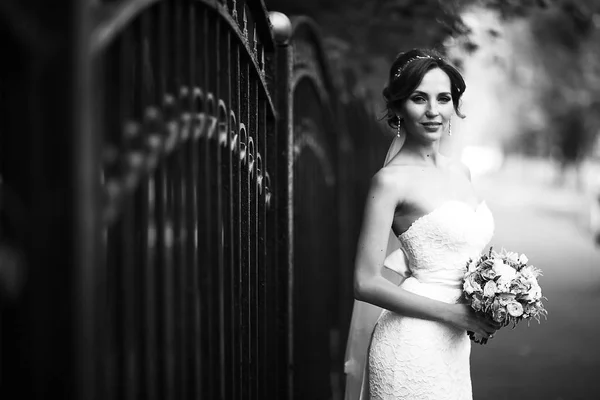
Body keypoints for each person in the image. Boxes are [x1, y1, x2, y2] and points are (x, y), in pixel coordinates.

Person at [344, 48, 501, 400]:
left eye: (443, 98)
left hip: (455, 346)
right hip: (410, 342)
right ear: (399, 108)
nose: (433, 111)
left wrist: (496, 294)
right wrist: (455, 314)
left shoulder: (461, 171)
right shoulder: (390, 182)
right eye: (419, 99)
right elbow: (364, 282)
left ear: (454, 107)